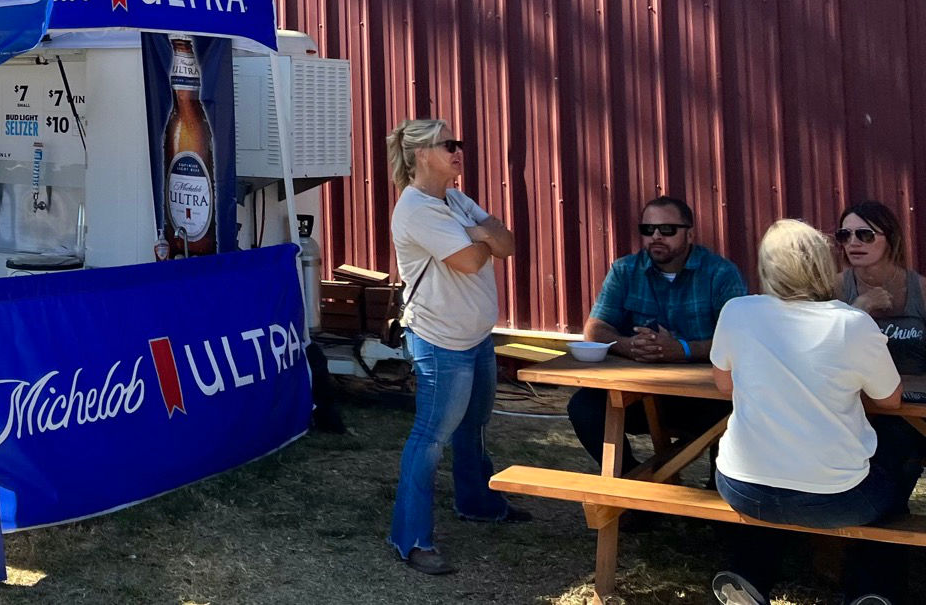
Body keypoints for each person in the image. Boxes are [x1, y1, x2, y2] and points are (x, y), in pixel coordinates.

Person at [709, 219, 920, 605]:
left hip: (739, 489)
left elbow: (725, 385)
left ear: (767, 266)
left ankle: (748, 574)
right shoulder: (852, 322)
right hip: (840, 501)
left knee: (778, 472)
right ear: (823, 266)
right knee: (902, 442)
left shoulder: (737, 311)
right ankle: (873, 589)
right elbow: (890, 400)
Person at [384, 118, 523, 577]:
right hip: (441, 344)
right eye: (449, 145)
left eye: (458, 143)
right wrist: (481, 236)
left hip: (477, 337)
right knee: (430, 439)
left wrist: (481, 235)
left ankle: (479, 504)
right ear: (422, 154)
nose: (458, 150)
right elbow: (468, 262)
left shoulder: (455, 199)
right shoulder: (417, 209)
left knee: (475, 426)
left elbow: (506, 243)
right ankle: (411, 539)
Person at [567, 195, 746, 471]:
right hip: (642, 393)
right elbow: (595, 329)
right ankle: (631, 480)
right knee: (584, 406)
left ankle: (716, 492)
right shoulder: (625, 270)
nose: (656, 237)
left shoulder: (721, 273)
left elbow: (740, 341)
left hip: (704, 397)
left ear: (690, 234)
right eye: (648, 230)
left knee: (733, 411)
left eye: (667, 229)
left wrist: (682, 350)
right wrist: (630, 346)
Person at [836, 200, 925, 374]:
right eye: (844, 235)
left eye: (865, 235)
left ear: (890, 238)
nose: (853, 242)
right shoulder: (836, 288)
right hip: (860, 397)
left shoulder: (920, 289)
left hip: (917, 396)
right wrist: (858, 309)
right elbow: (826, 353)